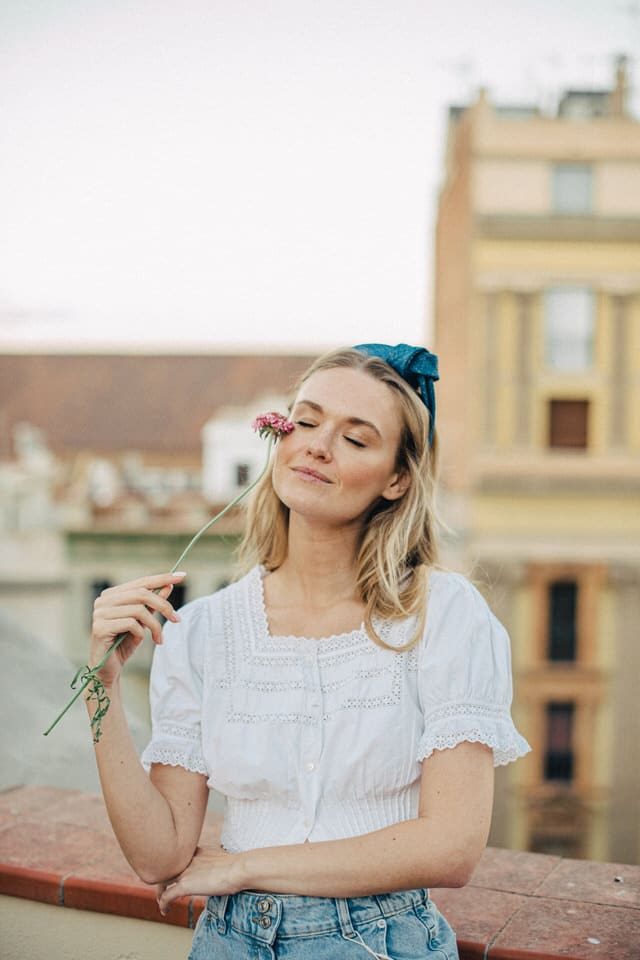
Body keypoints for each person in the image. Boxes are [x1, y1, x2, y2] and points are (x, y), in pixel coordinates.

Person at [88, 344, 530, 960]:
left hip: (380, 942)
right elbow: (158, 857)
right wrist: (100, 687)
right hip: (228, 944)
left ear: (397, 479)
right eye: (307, 420)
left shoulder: (444, 614)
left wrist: (245, 868)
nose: (318, 445)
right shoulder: (200, 630)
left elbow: (451, 848)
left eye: (356, 438)